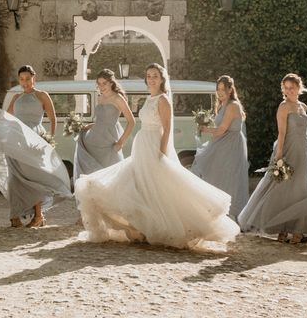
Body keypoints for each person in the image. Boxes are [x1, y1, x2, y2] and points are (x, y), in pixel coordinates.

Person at [74, 63, 240, 250]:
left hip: (153, 146)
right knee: (140, 186)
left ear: (161, 79)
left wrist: (161, 152)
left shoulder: (163, 99)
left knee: (157, 188)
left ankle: (166, 227)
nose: (151, 79)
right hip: (142, 146)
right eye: (149, 76)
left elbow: (167, 128)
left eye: (155, 76)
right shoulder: (149, 99)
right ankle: (141, 228)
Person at [237, 73, 307, 243]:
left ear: (299, 87)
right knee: (281, 188)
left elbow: (303, 133)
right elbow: (281, 133)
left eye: (292, 87)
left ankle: (298, 229)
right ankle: (281, 229)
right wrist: (279, 156)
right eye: (286, 88)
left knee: (301, 188)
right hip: (287, 150)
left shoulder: (303, 107)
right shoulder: (283, 107)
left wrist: (304, 152)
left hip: (302, 151)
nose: (288, 91)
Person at [0, 65, 72, 228]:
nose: (25, 82)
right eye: (22, 79)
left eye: (28, 79)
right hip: (16, 140)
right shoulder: (16, 98)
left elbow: (53, 119)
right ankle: (15, 215)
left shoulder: (42, 96)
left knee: (33, 177)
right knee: (15, 178)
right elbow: (4, 120)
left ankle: (38, 216)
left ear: (33, 79)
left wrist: (49, 139)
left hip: (35, 139)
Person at [191, 75, 249, 220]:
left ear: (230, 90)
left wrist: (205, 130)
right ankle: (218, 209)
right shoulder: (223, 105)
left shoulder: (233, 106)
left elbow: (222, 129)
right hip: (222, 143)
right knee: (218, 175)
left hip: (231, 145)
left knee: (229, 178)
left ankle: (231, 213)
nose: (220, 92)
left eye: (223, 89)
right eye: (218, 89)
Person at [73, 69, 135, 183]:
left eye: (104, 83)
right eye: (99, 84)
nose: (101, 87)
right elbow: (102, 120)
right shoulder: (100, 97)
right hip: (93, 139)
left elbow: (131, 122)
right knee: (93, 174)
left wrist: (120, 143)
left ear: (111, 83)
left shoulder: (118, 98)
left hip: (108, 142)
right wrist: (90, 125)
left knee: (111, 174)